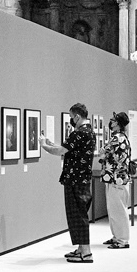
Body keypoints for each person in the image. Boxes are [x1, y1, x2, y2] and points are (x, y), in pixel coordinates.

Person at [40, 103, 96, 263]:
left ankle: (86, 252)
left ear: (77, 116)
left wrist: (43, 145)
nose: (71, 120)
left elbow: (61, 151)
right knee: (79, 213)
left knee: (77, 214)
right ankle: (81, 248)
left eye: (72, 117)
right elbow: (68, 148)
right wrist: (50, 143)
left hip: (75, 180)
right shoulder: (89, 132)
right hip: (81, 178)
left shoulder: (79, 133)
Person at [98, 112, 132, 248]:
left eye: (112, 120)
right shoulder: (123, 137)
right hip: (116, 178)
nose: (110, 123)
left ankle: (122, 239)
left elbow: (103, 152)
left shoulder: (116, 138)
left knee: (117, 210)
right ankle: (117, 236)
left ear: (117, 123)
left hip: (116, 178)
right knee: (114, 209)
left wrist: (103, 152)